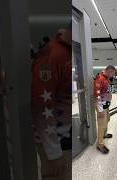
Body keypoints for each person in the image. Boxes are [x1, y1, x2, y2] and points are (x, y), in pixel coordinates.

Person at [31, 29, 70, 180]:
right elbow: (41, 105)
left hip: (64, 136)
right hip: (55, 140)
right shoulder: (53, 55)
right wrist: (54, 152)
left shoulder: (65, 53)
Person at [94, 65, 116, 154]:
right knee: (101, 124)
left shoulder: (106, 78)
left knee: (107, 119)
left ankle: (104, 134)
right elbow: (97, 95)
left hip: (105, 104)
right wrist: (100, 109)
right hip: (101, 105)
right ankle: (99, 144)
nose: (113, 76)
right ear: (109, 71)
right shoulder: (100, 79)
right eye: (113, 74)